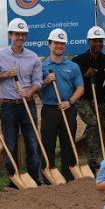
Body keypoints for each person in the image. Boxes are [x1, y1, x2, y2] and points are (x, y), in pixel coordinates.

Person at [0, 18, 42, 186]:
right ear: (10, 35)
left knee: (32, 143)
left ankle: (33, 178)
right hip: (8, 106)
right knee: (10, 145)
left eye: (23, 34)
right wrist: (5, 75)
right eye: (17, 34)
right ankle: (14, 180)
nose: (20, 37)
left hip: (28, 105)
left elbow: (38, 81)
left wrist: (29, 92)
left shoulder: (33, 57)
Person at [40, 29, 84, 182]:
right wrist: (46, 81)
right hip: (49, 110)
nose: (59, 46)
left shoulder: (73, 66)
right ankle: (48, 174)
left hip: (68, 108)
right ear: (49, 44)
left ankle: (67, 173)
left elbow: (80, 88)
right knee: (48, 143)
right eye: (56, 43)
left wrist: (70, 101)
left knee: (68, 142)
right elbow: (36, 88)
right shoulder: (42, 66)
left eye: (62, 43)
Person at [71, 26, 105, 172]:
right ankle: (93, 160)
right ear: (89, 41)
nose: (98, 43)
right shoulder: (78, 61)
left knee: (98, 128)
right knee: (93, 123)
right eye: (94, 41)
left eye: (100, 40)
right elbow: (73, 82)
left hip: (99, 100)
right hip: (83, 99)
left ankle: (98, 156)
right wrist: (85, 75)